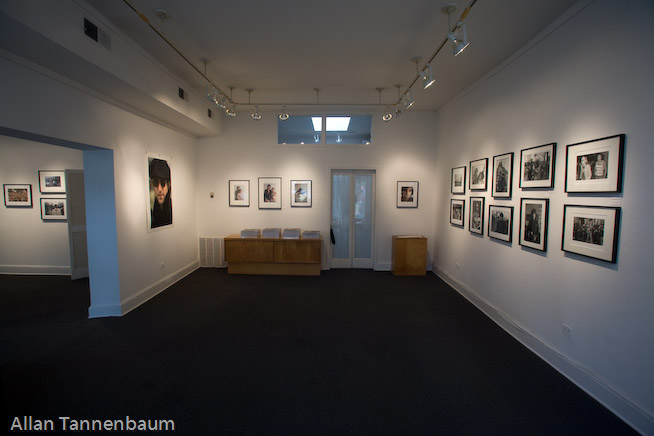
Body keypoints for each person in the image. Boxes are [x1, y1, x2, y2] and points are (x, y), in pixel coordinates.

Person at [149, 158, 172, 228]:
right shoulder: (151, 213)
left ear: (168, 185)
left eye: (162, 183)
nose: (159, 189)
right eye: (156, 183)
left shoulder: (173, 211)